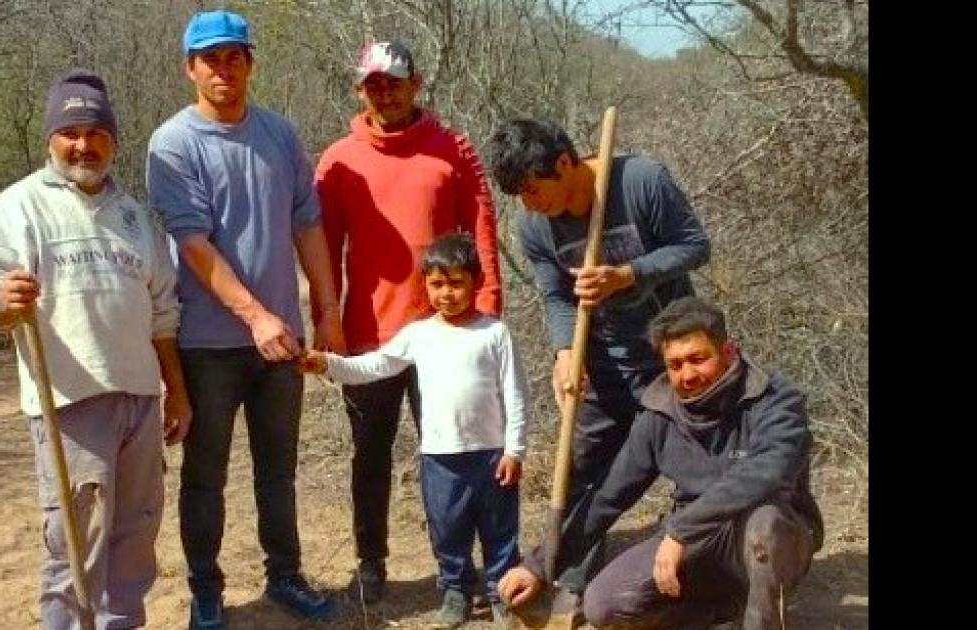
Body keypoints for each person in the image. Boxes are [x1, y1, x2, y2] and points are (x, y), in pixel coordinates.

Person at [0, 68, 191, 629]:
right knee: (75, 541)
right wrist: (0, 300)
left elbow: (164, 313)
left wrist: (176, 394)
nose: (84, 145)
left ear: (113, 139)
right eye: (71, 133)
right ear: (51, 140)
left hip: (139, 398)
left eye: (96, 133)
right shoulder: (19, 207)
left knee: (136, 533)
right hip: (68, 402)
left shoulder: (137, 218)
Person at [144, 9, 345, 629]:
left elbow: (306, 223)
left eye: (234, 56)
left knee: (278, 470)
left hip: (280, 339)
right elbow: (195, 246)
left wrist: (326, 309)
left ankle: (285, 575)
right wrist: (255, 316)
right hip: (208, 345)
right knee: (205, 476)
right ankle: (206, 591)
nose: (223, 68)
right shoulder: (172, 145)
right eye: (211, 59)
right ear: (190, 68)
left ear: (251, 62)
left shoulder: (280, 135)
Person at [499, 296, 824, 630]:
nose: (687, 375)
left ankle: (762, 622)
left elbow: (768, 472)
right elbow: (606, 499)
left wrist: (681, 531)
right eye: (676, 364)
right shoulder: (659, 413)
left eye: (698, 359)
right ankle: (722, 610)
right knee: (603, 606)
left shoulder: (776, 400)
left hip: (769, 532)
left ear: (728, 352)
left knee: (765, 523)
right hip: (695, 540)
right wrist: (538, 566)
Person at [483, 118, 711, 591]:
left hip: (673, 360)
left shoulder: (640, 180)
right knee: (582, 473)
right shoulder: (534, 227)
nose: (529, 204)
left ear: (563, 163)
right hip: (605, 362)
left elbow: (694, 246)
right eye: (519, 196)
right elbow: (556, 295)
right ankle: (568, 584)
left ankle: (708, 577)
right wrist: (565, 351)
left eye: (532, 189)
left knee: (698, 472)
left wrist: (629, 274)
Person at [313, 39, 503, 602]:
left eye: (395, 80)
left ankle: (463, 571)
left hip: (447, 338)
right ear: (359, 89)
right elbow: (323, 247)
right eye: (374, 83)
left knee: (454, 457)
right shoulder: (338, 159)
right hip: (370, 335)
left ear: (416, 82)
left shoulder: (453, 151)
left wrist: (488, 306)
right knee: (369, 455)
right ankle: (371, 562)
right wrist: (328, 320)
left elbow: (483, 230)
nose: (385, 91)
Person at [302, 233, 527, 628]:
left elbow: (515, 395)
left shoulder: (495, 334)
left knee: (499, 529)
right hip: (440, 458)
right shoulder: (420, 334)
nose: (447, 293)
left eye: (456, 283)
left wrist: (515, 449)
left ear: (474, 281)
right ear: (425, 285)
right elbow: (374, 365)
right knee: (447, 527)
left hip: (491, 455)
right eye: (437, 284)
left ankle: (501, 592)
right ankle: (456, 589)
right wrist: (330, 364)